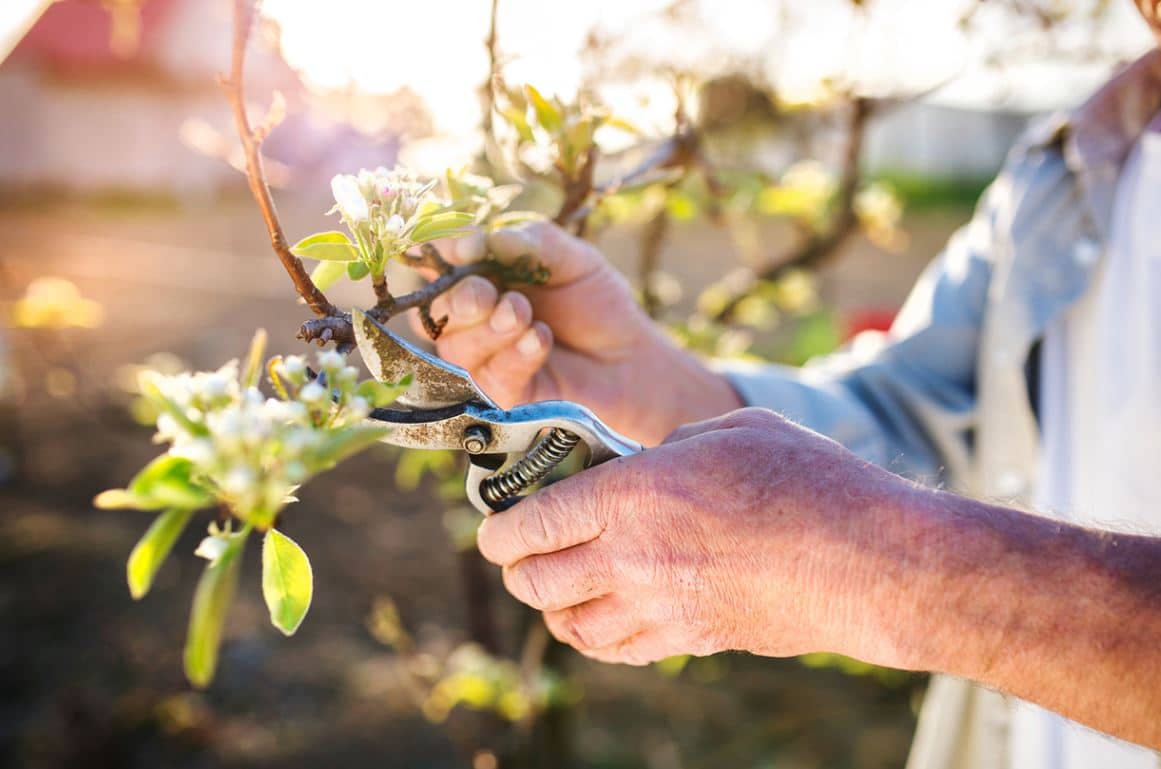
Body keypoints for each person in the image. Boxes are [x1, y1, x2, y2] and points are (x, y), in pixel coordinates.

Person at [416, 5, 1161, 766]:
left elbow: (885, 532)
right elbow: (908, 419)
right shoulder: (1071, 165)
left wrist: (886, 568)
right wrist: (641, 374)